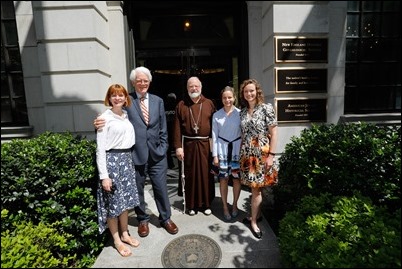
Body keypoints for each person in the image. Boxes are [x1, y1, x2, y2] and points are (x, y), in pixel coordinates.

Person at [95, 66, 178, 238]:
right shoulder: (127, 100)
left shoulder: (158, 101)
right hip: (135, 154)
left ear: (149, 82)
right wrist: (98, 122)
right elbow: (114, 115)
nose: (142, 83)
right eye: (138, 81)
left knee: (161, 188)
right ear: (133, 83)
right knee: (137, 189)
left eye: (145, 80)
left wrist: (163, 147)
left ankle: (165, 218)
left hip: (157, 154)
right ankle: (143, 220)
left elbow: (163, 127)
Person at [96, 84, 141, 257]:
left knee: (124, 203)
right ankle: (116, 240)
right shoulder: (104, 118)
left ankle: (125, 234)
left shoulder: (125, 115)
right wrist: (104, 176)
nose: (117, 98)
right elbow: (100, 149)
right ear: (109, 98)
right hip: (112, 163)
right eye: (113, 95)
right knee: (113, 204)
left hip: (126, 162)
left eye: (120, 95)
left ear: (125, 98)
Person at [239, 79, 278, 239]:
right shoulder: (242, 112)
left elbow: (274, 133)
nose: (249, 93)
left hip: (261, 152)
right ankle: (258, 215)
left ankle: (254, 222)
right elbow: (242, 134)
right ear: (243, 94)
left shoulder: (266, 108)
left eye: (252, 90)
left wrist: (271, 156)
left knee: (255, 188)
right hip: (247, 152)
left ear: (257, 91)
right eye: (246, 91)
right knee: (255, 187)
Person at [174, 76, 216, 216]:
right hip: (188, 145)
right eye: (191, 86)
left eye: (196, 86)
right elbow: (177, 128)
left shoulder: (209, 103)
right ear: (187, 89)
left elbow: (215, 128)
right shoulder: (181, 105)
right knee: (190, 175)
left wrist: (214, 147)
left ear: (201, 87)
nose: (194, 88)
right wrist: (178, 147)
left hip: (205, 145)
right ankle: (191, 205)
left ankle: (206, 204)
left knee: (205, 175)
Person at [211, 86, 242, 221]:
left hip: (236, 150)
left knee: (236, 179)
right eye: (224, 97)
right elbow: (214, 136)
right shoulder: (217, 115)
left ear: (234, 98)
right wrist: (215, 155)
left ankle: (234, 205)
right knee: (223, 179)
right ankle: (224, 206)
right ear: (221, 99)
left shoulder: (241, 114)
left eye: (230, 97)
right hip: (222, 150)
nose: (227, 100)